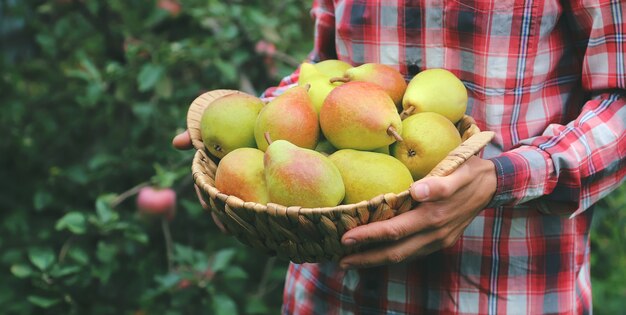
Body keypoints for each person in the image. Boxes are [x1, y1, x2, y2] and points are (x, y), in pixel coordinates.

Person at [173, 0, 625, 313]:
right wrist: (254, 133)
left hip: (505, 287)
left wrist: (501, 177)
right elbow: (328, 70)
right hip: (333, 291)